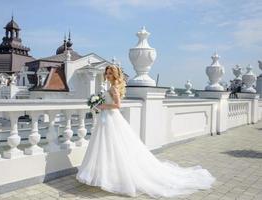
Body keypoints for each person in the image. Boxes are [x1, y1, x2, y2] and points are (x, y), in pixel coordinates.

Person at [76, 65, 215, 198]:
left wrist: (101, 105)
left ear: (116, 75)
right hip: (107, 118)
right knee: (106, 146)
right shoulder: (112, 87)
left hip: (111, 117)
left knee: (114, 146)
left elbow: (117, 105)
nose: (108, 75)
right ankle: (105, 175)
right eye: (107, 73)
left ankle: (111, 176)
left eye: (110, 73)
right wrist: (99, 105)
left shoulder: (114, 88)